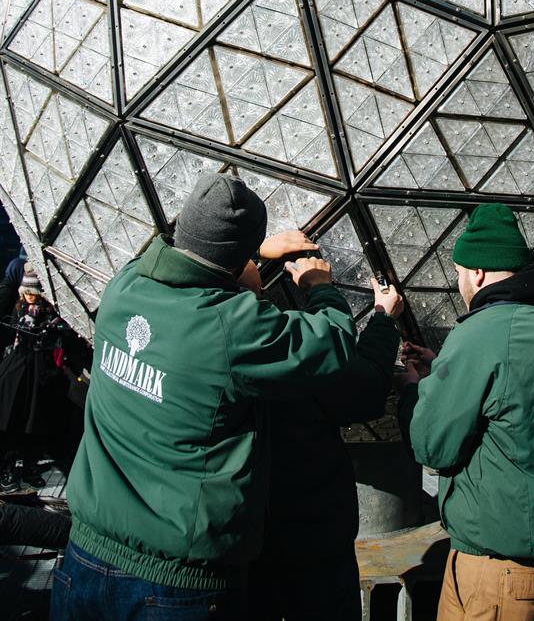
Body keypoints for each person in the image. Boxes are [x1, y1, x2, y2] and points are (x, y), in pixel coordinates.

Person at [51, 172, 361, 621]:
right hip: (175, 586)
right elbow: (332, 343)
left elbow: (183, 257)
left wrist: (248, 252)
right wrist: (320, 286)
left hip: (83, 555)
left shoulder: (123, 287)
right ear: (238, 263)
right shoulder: (231, 327)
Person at [397, 203, 534, 621]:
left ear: (479, 272)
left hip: (497, 572)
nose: (460, 283)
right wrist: (447, 371)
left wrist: (416, 389)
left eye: (460, 273)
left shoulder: (480, 333)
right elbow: (519, 400)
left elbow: (433, 446)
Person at [249, 268, 403, 621]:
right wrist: (380, 319)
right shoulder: (278, 348)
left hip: (245, 538)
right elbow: (359, 386)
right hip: (312, 533)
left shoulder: (202, 328)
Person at [0, 268, 68, 493]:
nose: (30, 296)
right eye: (27, 292)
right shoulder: (19, 307)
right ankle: (9, 465)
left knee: (34, 417)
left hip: (39, 366)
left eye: (34, 292)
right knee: (12, 415)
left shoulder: (48, 311)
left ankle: (29, 464)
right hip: (20, 363)